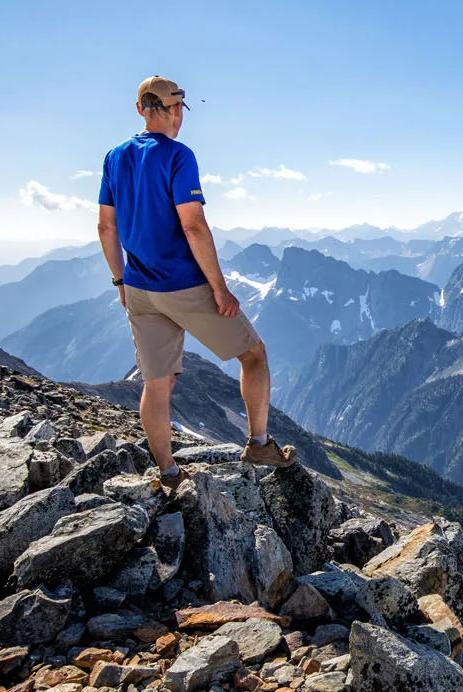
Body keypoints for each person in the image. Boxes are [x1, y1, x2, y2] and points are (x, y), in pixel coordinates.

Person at [97, 75, 296, 489]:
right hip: (182, 284)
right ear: (174, 111)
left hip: (138, 286)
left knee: (157, 382)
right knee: (253, 354)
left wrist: (119, 281)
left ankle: (168, 473)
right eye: (179, 109)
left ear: (139, 109)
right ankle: (259, 444)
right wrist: (220, 289)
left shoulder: (114, 157)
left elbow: (105, 227)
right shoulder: (178, 156)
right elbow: (194, 227)